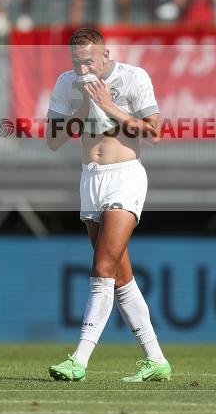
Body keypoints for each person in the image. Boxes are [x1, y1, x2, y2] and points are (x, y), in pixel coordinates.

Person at [46, 27, 170, 383]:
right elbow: (53, 141)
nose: (83, 68)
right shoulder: (67, 83)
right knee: (119, 276)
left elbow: (156, 133)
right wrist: (85, 103)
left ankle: (79, 359)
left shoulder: (133, 78)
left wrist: (109, 105)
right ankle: (156, 359)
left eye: (89, 61)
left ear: (106, 55)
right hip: (91, 178)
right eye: (77, 61)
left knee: (102, 266)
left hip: (125, 176)